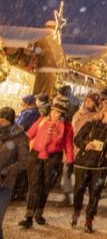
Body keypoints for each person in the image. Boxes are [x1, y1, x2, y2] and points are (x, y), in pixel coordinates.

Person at [19, 96, 75, 228]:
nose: (54, 114)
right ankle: (28, 216)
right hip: (36, 156)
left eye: (58, 112)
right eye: (53, 111)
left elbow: (68, 145)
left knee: (45, 186)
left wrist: (70, 160)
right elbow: (29, 134)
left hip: (53, 158)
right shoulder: (42, 120)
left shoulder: (67, 127)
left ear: (63, 115)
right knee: (34, 185)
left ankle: (38, 213)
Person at [71, 104, 107, 233]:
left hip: (100, 166)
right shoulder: (90, 125)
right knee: (79, 190)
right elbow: (77, 139)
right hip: (83, 163)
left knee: (95, 194)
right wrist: (86, 144)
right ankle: (76, 211)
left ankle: (89, 220)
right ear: (104, 113)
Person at [0, 107, 29, 239]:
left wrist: (7, 171)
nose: (1, 124)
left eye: (4, 121)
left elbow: (24, 161)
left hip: (4, 185)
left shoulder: (19, 137)